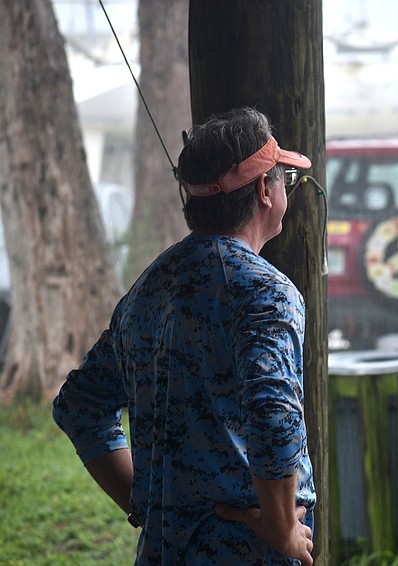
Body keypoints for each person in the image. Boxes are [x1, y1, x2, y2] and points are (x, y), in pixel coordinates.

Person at [53, 107, 316, 565]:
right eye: (284, 180)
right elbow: (274, 415)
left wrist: (145, 505)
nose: (283, 190)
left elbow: (80, 406)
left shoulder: (149, 288)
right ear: (263, 191)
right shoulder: (267, 292)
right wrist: (281, 527)